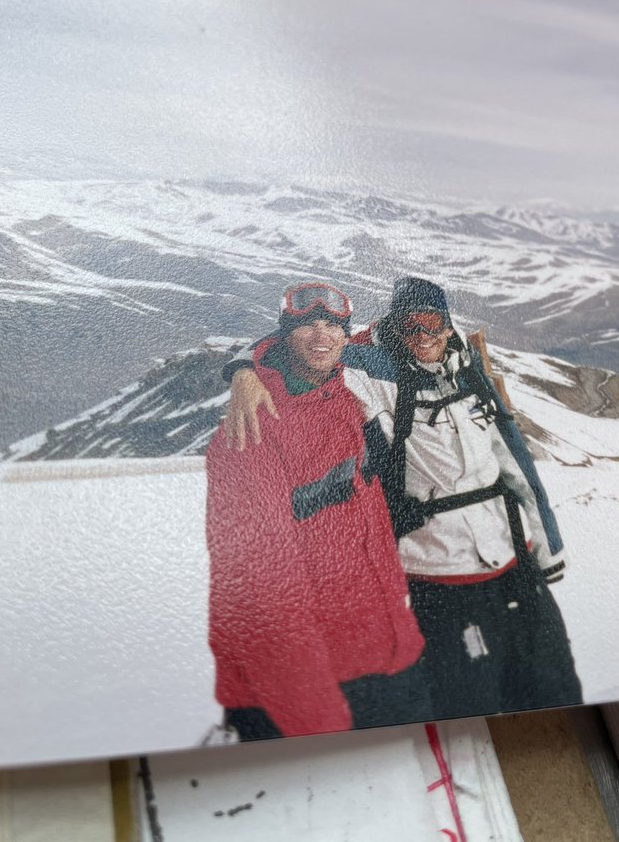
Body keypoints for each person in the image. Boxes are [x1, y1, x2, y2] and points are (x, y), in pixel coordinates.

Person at [224, 276, 583, 721]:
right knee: (469, 704)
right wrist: (242, 370)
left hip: (514, 559)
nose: (424, 336)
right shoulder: (374, 373)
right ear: (396, 327)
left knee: (554, 688)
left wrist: (549, 544)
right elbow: (304, 345)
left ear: (449, 326)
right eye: (412, 326)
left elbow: (515, 461)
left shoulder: (468, 369)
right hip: (435, 577)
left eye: (433, 324)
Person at [206, 281, 427, 741]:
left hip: (381, 655)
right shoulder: (251, 428)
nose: (322, 335)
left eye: (333, 324)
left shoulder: (342, 397)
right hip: (305, 693)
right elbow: (260, 594)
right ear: (285, 334)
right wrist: (318, 719)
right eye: (307, 324)